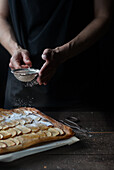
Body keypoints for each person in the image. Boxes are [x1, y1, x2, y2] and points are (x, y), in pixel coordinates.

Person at [0, 0, 112, 109]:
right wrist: (15, 49)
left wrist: (63, 53)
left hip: (76, 83)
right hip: (21, 83)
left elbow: (104, 15)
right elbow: (0, 15)